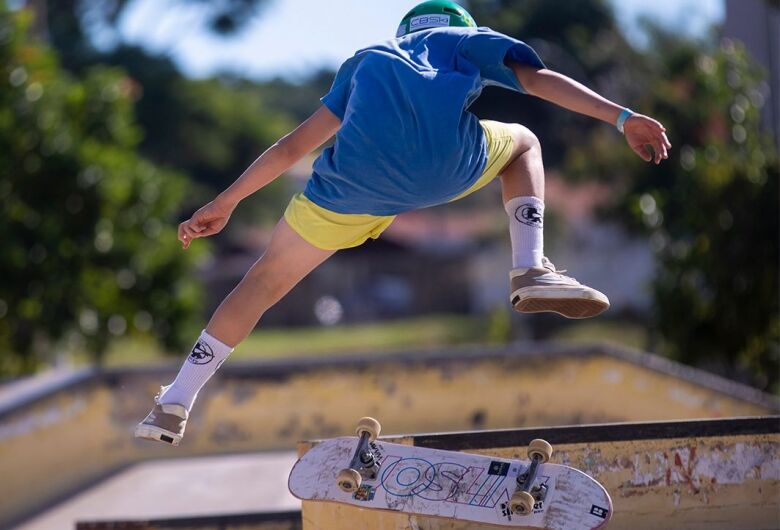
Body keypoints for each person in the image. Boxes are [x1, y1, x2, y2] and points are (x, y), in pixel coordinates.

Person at [135, 0, 671, 445]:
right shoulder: (465, 39)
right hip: (443, 168)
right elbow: (538, 80)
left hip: (349, 186)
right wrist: (621, 117)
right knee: (524, 142)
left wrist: (224, 203)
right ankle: (529, 267)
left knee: (264, 280)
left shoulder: (366, 59)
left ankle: (177, 401)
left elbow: (293, 146)